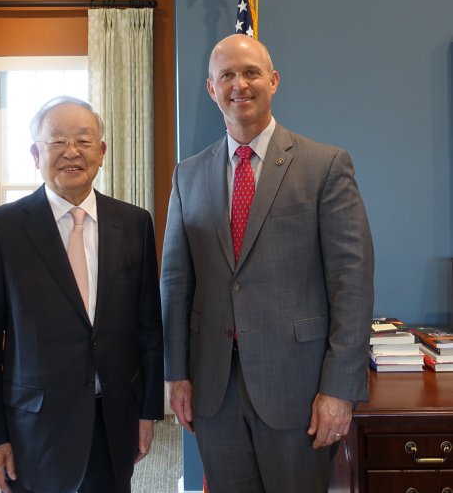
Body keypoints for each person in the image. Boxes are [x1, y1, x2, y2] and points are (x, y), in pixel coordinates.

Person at [160, 34, 374, 493]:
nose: (240, 84)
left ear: (273, 81)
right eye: (227, 75)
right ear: (211, 89)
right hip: (213, 391)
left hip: (298, 389)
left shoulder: (326, 166)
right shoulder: (188, 175)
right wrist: (175, 373)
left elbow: (351, 284)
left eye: (251, 72)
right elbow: (176, 284)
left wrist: (340, 389)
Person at [0, 96, 164, 493]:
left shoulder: (134, 223)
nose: (71, 152)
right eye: (57, 141)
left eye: (84, 141)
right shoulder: (0, 229)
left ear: (102, 152)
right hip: (35, 429)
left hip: (114, 420)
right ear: (35, 153)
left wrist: (148, 412)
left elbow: (149, 330)